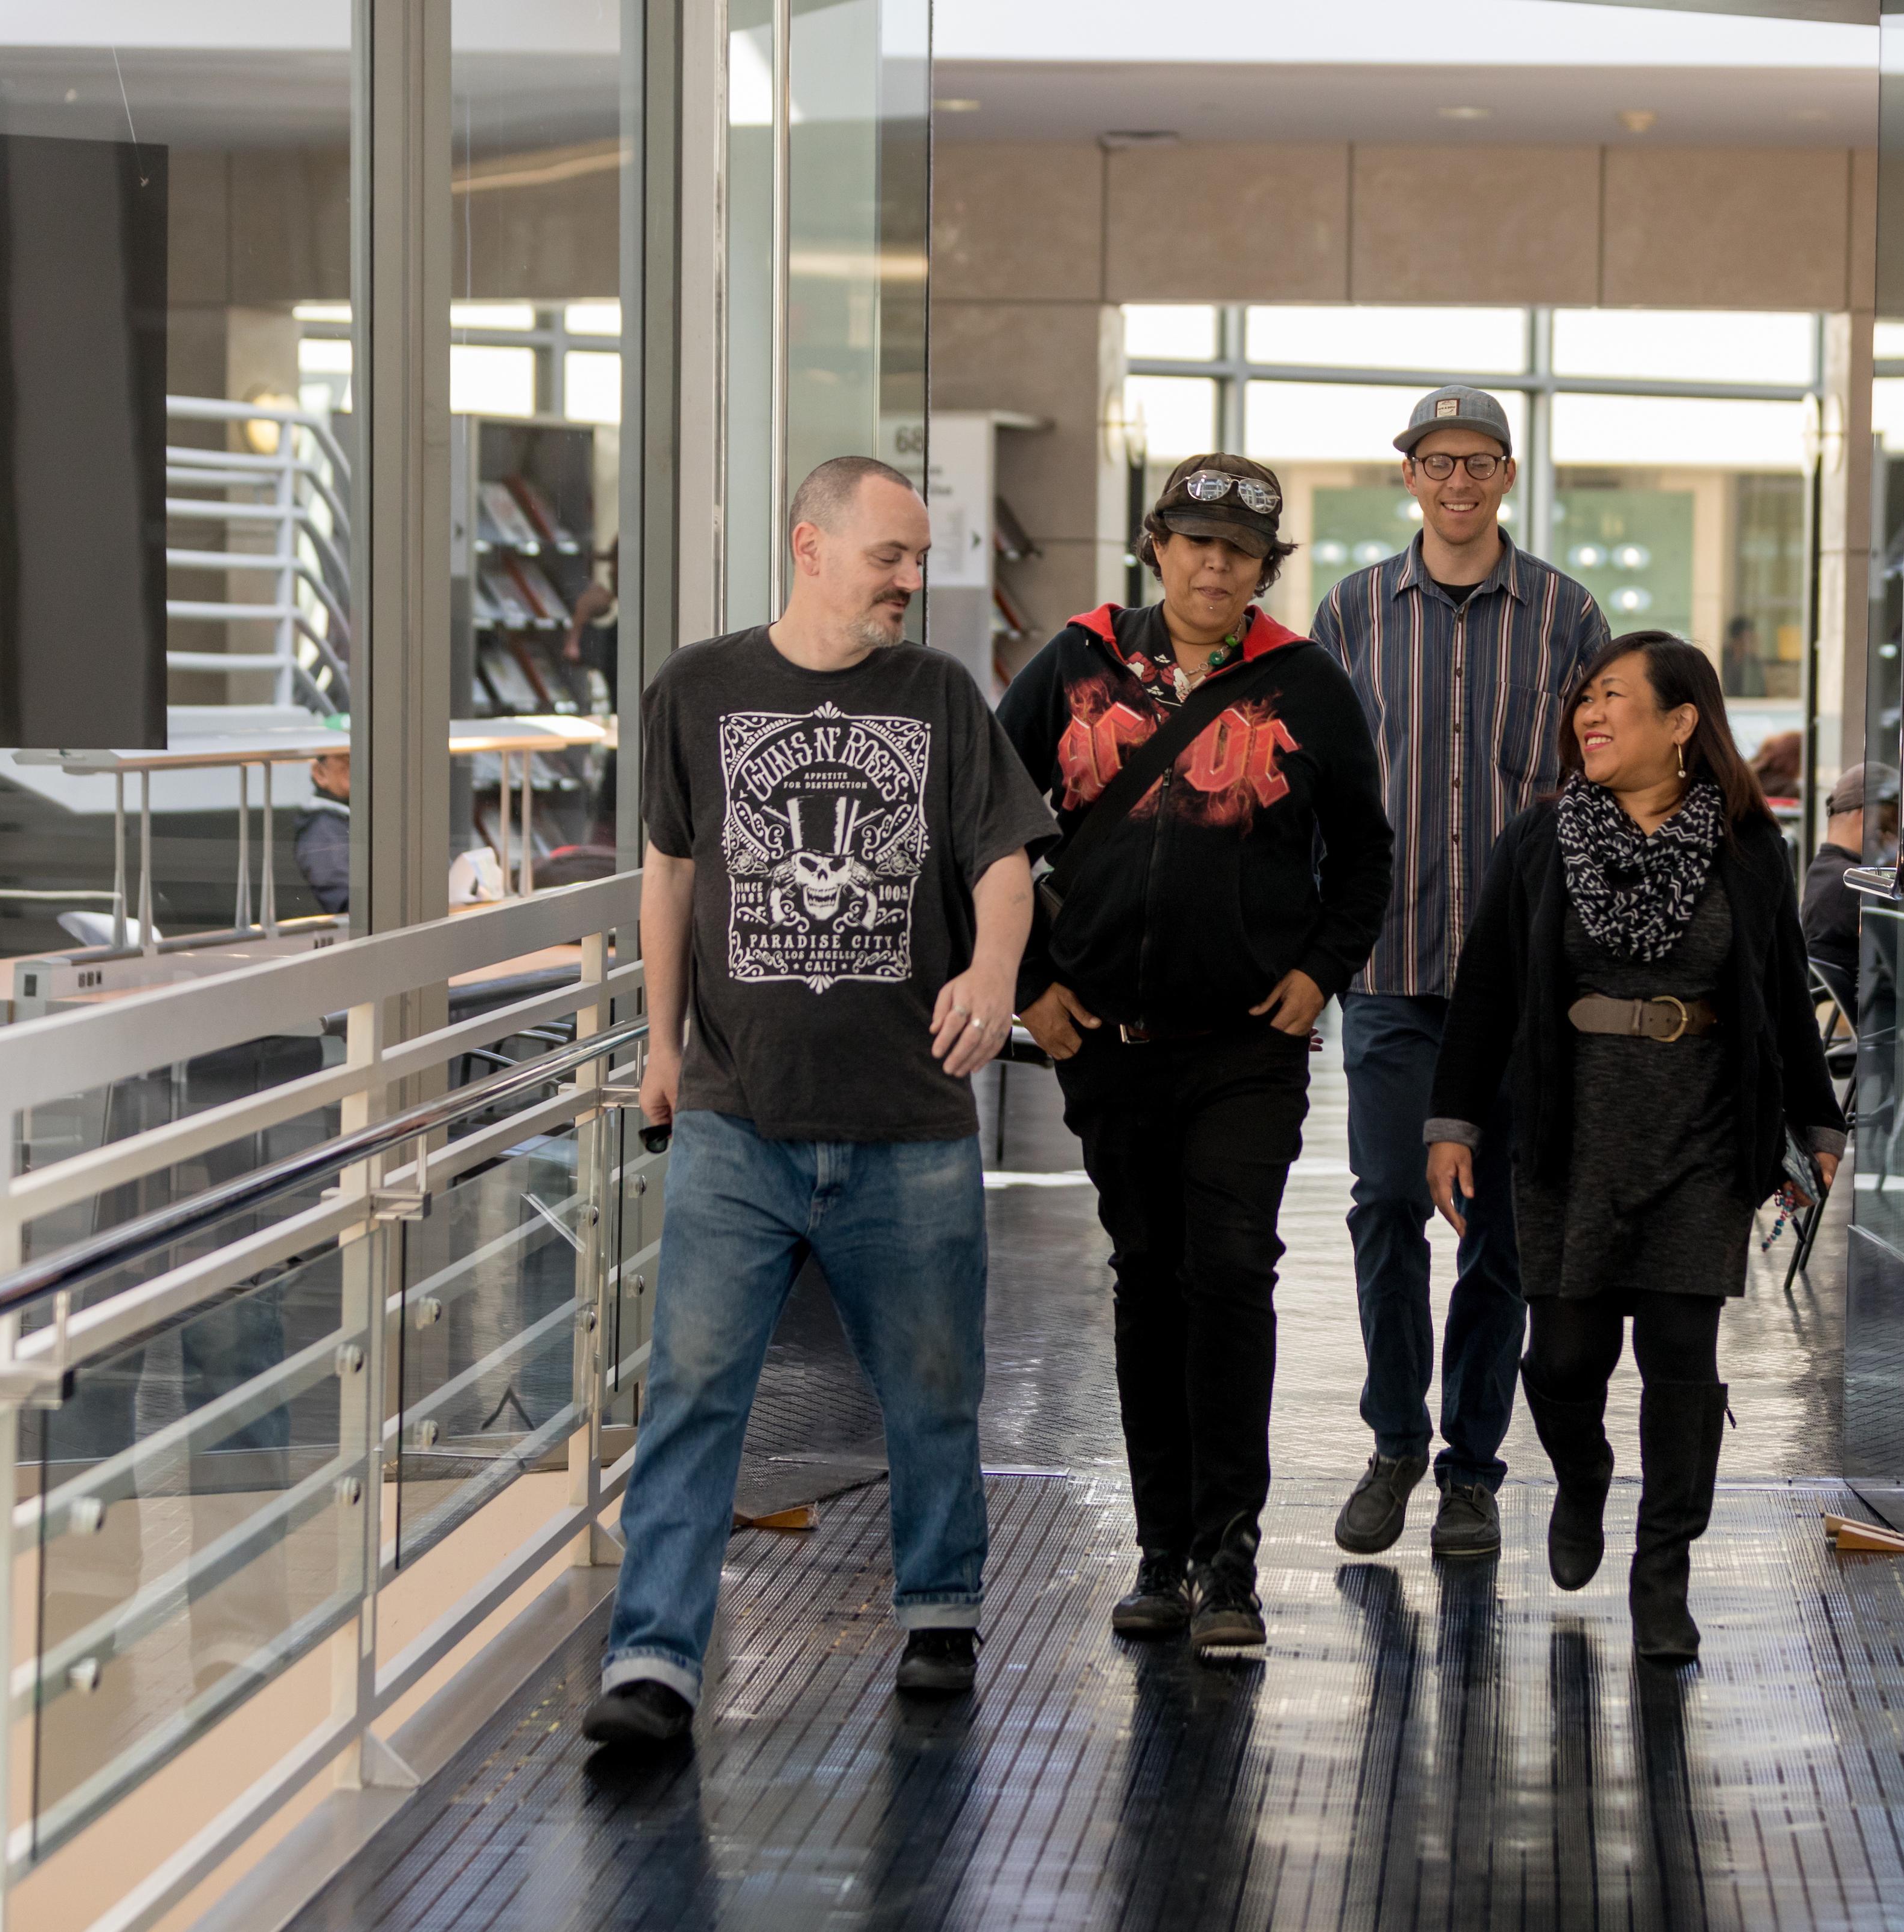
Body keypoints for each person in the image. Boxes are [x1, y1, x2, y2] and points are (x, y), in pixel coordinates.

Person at [581, 455, 1056, 1743]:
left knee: (932, 1379)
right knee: (692, 1389)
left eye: (919, 558)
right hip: (739, 1113)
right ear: (809, 545)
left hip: (907, 1117)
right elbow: (669, 876)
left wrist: (994, 963)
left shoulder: (942, 697)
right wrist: (661, 1042)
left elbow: (1004, 864)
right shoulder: (698, 687)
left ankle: (940, 1604)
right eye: (890, 555)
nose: (913, 579)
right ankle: (652, 1658)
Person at [1001, 453, 1392, 1654]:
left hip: (1244, 1048)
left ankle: (1230, 1558)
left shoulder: (1308, 683)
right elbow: (981, 832)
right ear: (1155, 548)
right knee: (1148, 1273)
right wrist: (1032, 990)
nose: (1213, 562)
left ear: (1264, 568)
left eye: (1239, 548)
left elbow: (1365, 854)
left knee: (1228, 1269)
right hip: (1106, 1044)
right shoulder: (1069, 666)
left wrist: (1319, 971)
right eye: (1194, 540)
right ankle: (1159, 1550)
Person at [1425, 633, 1844, 1662]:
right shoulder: (1539, 840)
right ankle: (1581, 1474)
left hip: (1701, 1130)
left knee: (1677, 1357)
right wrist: (1452, 1121)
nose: (1588, 717)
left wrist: (1815, 1118)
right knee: (1563, 1354)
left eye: (1613, 698)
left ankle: (1664, 1575)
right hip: (1570, 1131)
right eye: (1584, 701)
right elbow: (1485, 989)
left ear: (1681, 722)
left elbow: (1780, 985)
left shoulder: (1746, 844)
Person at [1311, 385, 1608, 1562]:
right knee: (1387, 1204)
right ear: (1409, 478)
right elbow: (1316, 784)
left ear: (1506, 473)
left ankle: (1471, 1469)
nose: (1456, 481)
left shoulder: (1565, 615)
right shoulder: (1346, 613)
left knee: (1504, 1234)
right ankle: (1394, 1438)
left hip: (1523, 984)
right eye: (1436, 461)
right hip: (1387, 967)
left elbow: (1596, 782)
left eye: (1477, 460)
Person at [1802, 761, 1900, 1021]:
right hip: (1888, 1023)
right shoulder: (1854, 885)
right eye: (1894, 824)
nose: (1897, 839)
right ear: (1867, 817)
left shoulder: (1824, 874)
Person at [292, 749, 350, 914]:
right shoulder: (323, 829)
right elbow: (345, 902)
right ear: (320, 773)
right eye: (345, 761)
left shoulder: (336, 822)